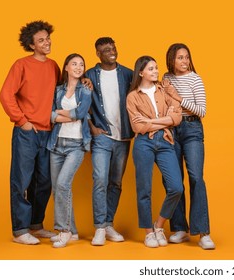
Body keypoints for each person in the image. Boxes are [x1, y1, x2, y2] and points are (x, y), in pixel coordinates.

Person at [0, 20, 60, 245]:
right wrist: (22, 121)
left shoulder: (53, 66)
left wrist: (84, 81)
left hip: (49, 132)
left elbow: (63, 92)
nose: (47, 42)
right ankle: (20, 230)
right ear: (32, 45)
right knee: (22, 180)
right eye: (41, 40)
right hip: (27, 132)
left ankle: (36, 225)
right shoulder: (21, 65)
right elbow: (6, 95)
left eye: (47, 38)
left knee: (44, 182)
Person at [162, 43, 215, 249]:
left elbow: (201, 110)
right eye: (180, 58)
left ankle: (203, 232)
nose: (184, 61)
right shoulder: (166, 79)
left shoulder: (195, 78)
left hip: (192, 128)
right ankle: (180, 228)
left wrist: (178, 97)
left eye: (186, 57)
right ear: (171, 60)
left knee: (196, 177)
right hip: (173, 128)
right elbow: (163, 105)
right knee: (175, 179)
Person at [126, 56, 183, 248]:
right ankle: (149, 232)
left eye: (156, 68)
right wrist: (163, 120)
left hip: (166, 140)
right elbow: (137, 126)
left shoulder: (164, 90)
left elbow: (176, 118)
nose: (156, 71)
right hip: (144, 143)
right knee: (144, 189)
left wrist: (152, 122)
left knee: (176, 187)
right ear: (141, 72)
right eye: (151, 69)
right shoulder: (133, 96)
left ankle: (159, 225)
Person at [85, 37, 134, 246]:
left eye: (113, 48)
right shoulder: (89, 76)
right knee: (100, 180)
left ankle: (108, 223)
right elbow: (77, 100)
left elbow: (142, 95)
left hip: (123, 137)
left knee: (115, 182)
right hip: (102, 136)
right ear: (98, 54)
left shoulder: (127, 73)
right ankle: (99, 228)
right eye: (105, 50)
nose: (111, 52)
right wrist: (91, 127)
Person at [46, 53, 92, 248]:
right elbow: (49, 115)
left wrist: (61, 114)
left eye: (81, 64)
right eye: (74, 64)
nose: (78, 67)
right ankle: (72, 231)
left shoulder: (86, 90)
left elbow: (81, 113)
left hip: (76, 145)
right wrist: (70, 116)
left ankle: (64, 231)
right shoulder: (57, 90)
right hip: (56, 144)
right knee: (58, 189)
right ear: (66, 67)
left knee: (64, 184)